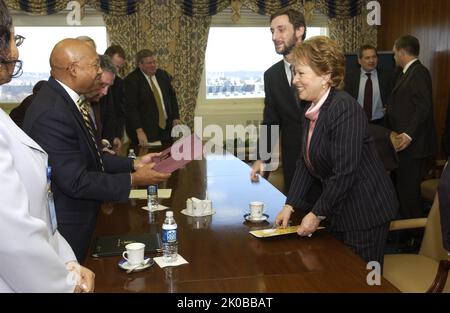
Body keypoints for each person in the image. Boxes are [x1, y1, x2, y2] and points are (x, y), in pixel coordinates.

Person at [23, 38, 171, 262]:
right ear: (73, 69)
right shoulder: (53, 111)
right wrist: (133, 179)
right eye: (95, 65)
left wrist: (134, 163)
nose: (99, 71)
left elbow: (91, 156)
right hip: (69, 225)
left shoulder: (68, 101)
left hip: (83, 215)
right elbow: (76, 181)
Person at [275, 36, 398, 268]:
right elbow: (305, 162)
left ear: (325, 75)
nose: (294, 80)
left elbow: (345, 172)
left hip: (365, 212)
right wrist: (290, 205)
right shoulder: (311, 108)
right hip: (340, 209)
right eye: (294, 73)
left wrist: (317, 213)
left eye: (301, 73)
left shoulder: (344, 109)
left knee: (359, 282)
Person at [0, 0, 94, 292]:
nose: (16, 50)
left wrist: (68, 263)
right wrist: (68, 284)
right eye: (14, 39)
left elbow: (41, 213)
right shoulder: (52, 107)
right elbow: (12, 236)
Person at [250, 8, 320, 200]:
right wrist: (261, 158)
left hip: (325, 163)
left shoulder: (322, 66)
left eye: (281, 30)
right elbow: (271, 120)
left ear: (299, 31)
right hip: (293, 165)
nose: (274, 36)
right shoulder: (271, 76)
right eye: (272, 31)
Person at [386, 35, 437, 218]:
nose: (393, 58)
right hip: (406, 145)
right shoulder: (406, 73)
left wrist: (408, 134)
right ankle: (406, 232)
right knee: (403, 189)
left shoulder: (419, 72)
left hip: (414, 146)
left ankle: (414, 237)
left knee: (409, 192)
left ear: (401, 52)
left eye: (394, 54)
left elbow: (423, 107)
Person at [124, 49, 181, 146]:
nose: (153, 65)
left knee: (167, 157)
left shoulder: (162, 75)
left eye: (154, 62)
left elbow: (172, 97)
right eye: (149, 63)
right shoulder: (131, 81)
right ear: (140, 65)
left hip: (166, 129)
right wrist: (139, 131)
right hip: (146, 131)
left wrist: (175, 117)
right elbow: (131, 109)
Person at [344, 44, 394, 125]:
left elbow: (392, 97)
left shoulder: (387, 76)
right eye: (367, 58)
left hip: (380, 123)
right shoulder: (350, 77)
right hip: (356, 122)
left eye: (374, 57)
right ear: (359, 61)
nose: (371, 61)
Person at [104, 44, 126, 149]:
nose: (117, 70)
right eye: (115, 66)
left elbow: (119, 111)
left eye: (119, 67)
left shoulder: (119, 83)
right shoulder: (91, 81)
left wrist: (116, 135)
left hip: (111, 136)